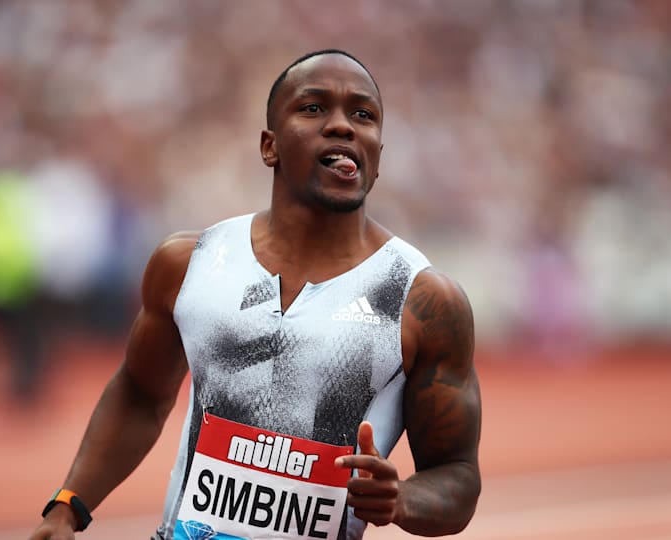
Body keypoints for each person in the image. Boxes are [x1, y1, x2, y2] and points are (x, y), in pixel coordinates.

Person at [29, 49, 481, 540]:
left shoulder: (422, 300)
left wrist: (402, 501)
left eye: (363, 115)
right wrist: (69, 504)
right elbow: (141, 395)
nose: (343, 126)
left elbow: (457, 474)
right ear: (269, 146)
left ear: (377, 159)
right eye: (313, 108)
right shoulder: (190, 264)